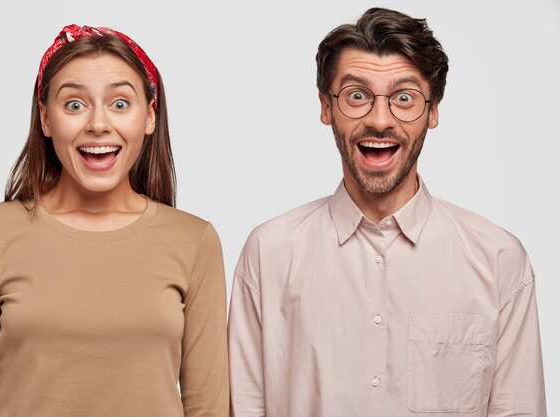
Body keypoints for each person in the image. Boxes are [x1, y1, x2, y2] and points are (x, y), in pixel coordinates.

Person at [228, 7, 546, 417]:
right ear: (326, 107)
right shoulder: (268, 254)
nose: (380, 120)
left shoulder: (499, 260)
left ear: (432, 111)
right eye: (356, 95)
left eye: (404, 98)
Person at [0, 24, 228, 417]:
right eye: (75, 105)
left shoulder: (194, 241)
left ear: (149, 116)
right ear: (46, 119)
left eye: (119, 103)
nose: (98, 124)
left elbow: (208, 410)